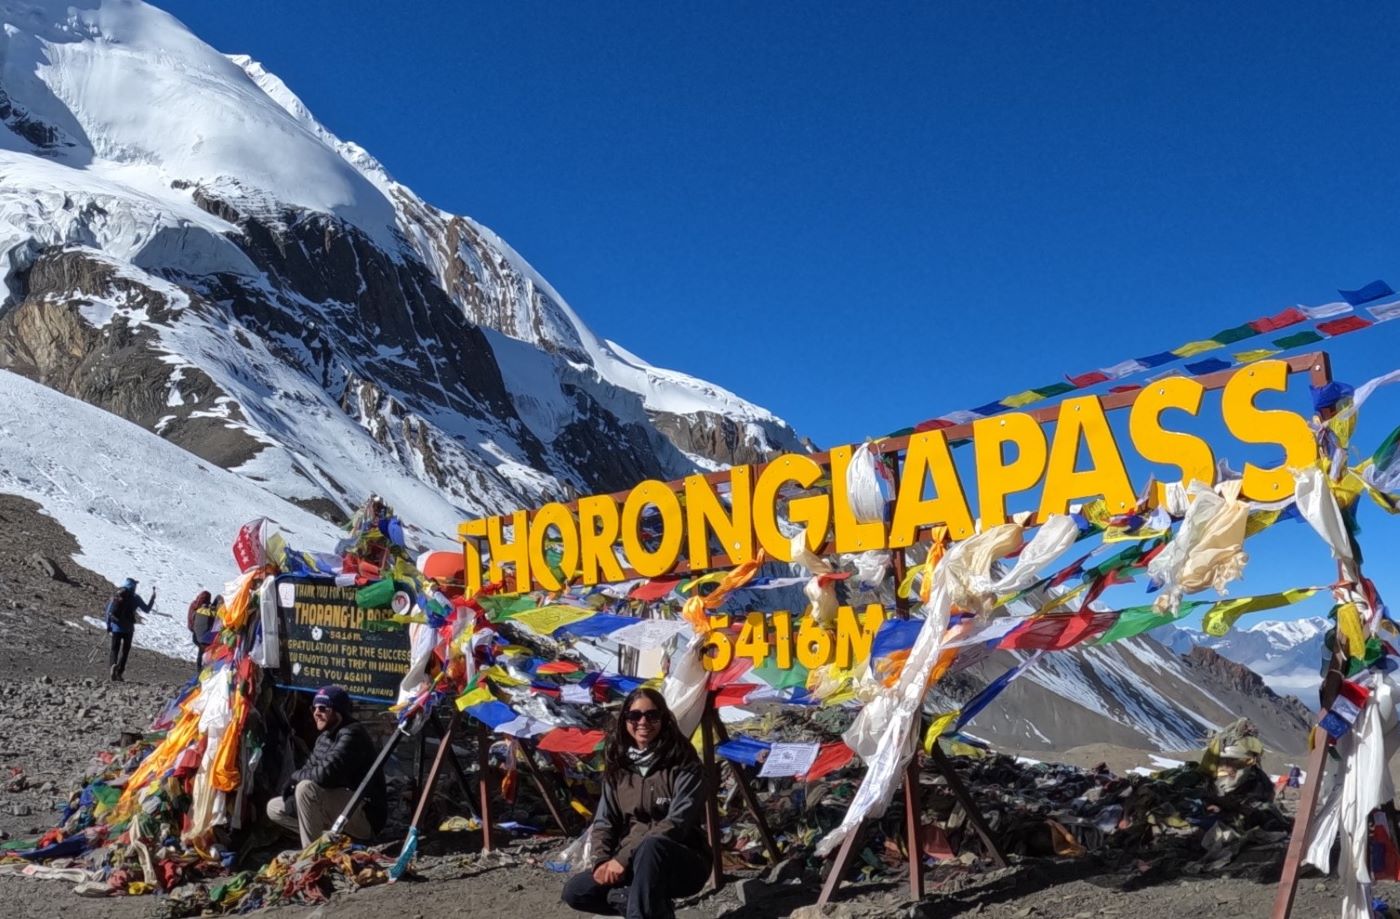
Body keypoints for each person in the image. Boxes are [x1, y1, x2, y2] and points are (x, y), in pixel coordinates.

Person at [562, 688, 710, 919]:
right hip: (630, 859)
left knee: (652, 846)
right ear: (625, 721)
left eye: (652, 715)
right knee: (577, 892)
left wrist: (622, 859)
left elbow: (677, 823)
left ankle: (641, 909)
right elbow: (605, 821)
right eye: (635, 716)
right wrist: (602, 861)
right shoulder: (619, 766)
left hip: (680, 860)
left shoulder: (684, 764)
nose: (643, 722)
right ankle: (651, 906)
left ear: (663, 719)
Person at [265, 685, 386, 847]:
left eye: (323, 708)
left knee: (306, 789)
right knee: (274, 807)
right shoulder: (324, 738)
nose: (316, 713)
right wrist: (294, 793)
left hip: (363, 814)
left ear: (338, 711)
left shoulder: (352, 734)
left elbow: (324, 776)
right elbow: (310, 768)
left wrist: (294, 778)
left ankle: (311, 857)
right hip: (336, 807)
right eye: (314, 708)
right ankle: (328, 841)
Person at [105, 577, 155, 682]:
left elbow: (109, 611)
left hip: (116, 627)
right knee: (125, 652)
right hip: (128, 629)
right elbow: (147, 609)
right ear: (133, 586)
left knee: (114, 649)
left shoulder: (117, 595)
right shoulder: (135, 597)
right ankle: (119, 673)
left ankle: (113, 665)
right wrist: (153, 598)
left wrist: (109, 625)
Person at [187, 591, 218, 673]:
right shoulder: (203, 610)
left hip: (195, 633)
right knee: (203, 652)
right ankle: (202, 671)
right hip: (201, 635)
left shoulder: (194, 605)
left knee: (201, 652)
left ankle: (199, 670)